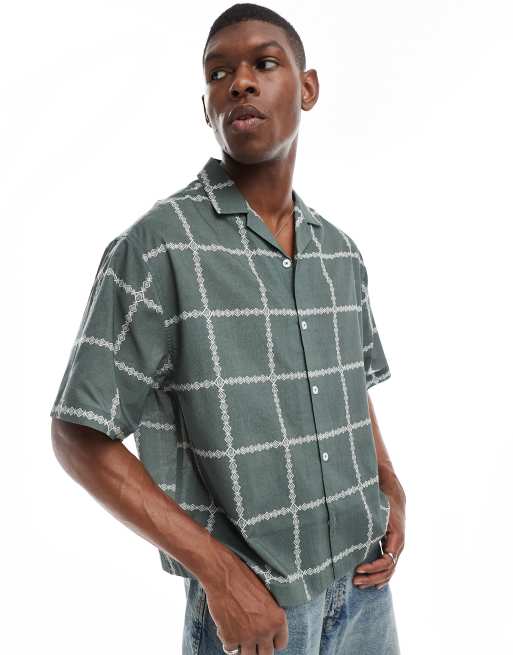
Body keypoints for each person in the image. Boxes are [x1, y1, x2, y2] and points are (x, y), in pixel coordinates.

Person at [50, 3, 406, 653]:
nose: (239, 82)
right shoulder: (158, 247)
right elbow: (78, 433)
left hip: (367, 589)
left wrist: (390, 484)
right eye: (218, 73)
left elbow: (350, 380)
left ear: (307, 88)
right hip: (257, 612)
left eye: (264, 64)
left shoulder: (340, 253)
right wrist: (218, 574)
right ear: (207, 106)